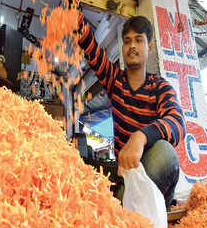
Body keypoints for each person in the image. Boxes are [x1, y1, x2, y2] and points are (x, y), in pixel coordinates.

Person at [77, 12, 186, 206]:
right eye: (127, 41)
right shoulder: (115, 81)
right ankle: (123, 204)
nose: (132, 46)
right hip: (123, 175)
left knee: (165, 152)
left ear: (149, 47)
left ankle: (125, 209)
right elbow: (90, 47)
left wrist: (140, 137)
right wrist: (73, 10)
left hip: (152, 178)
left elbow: (177, 123)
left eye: (138, 40)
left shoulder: (160, 87)